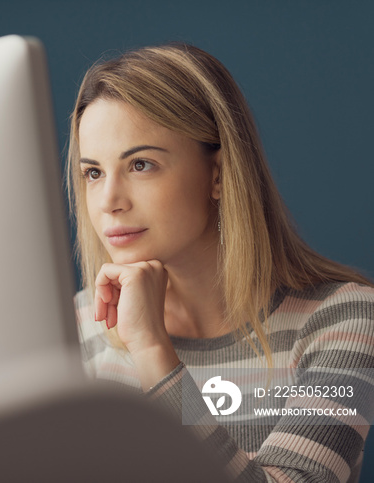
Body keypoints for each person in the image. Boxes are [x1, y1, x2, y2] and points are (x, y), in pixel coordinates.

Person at [68, 42, 374, 482]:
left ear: (218, 175)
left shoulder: (345, 320)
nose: (109, 201)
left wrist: (154, 352)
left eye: (140, 164)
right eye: (93, 172)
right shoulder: (79, 327)